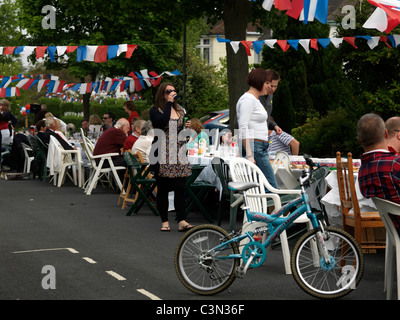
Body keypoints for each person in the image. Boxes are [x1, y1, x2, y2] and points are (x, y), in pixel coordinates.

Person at [149, 82, 194, 232]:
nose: (172, 93)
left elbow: (182, 130)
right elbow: (161, 123)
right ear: (163, 94)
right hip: (163, 152)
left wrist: (187, 127)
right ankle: (164, 221)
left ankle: (181, 220)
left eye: (174, 91)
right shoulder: (156, 110)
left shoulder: (180, 109)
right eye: (169, 91)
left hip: (179, 151)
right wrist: (168, 104)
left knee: (180, 187)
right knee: (163, 188)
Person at [357, 113, 400, 233]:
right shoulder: (394, 164)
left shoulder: (363, 172)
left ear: (359, 141)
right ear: (386, 133)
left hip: (393, 228)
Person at [236, 68, 278, 189]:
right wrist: (249, 154)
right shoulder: (247, 100)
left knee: (263, 186)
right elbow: (243, 126)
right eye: (267, 83)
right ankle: (272, 207)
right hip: (255, 147)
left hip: (260, 147)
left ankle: (262, 208)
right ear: (259, 82)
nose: (269, 86)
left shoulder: (255, 100)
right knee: (271, 186)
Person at [259, 69, 282, 135]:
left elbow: (266, 117)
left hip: (262, 135)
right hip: (251, 136)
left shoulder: (270, 95)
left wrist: (275, 126)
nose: (273, 89)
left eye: (275, 86)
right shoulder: (254, 96)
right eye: (271, 86)